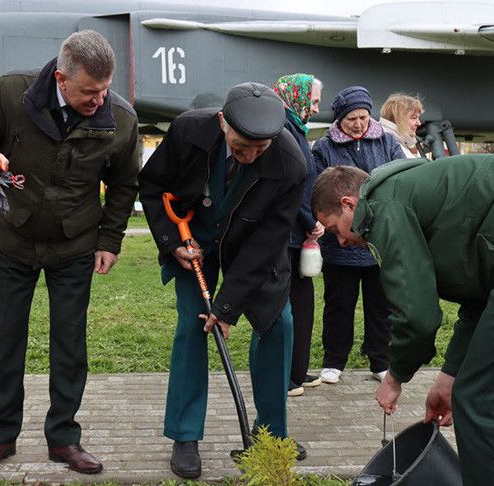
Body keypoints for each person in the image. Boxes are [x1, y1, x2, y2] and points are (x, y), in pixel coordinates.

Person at [311, 155, 494, 485]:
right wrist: (449, 373)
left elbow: (417, 315)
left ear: (349, 203)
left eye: (335, 228)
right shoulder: (410, 191)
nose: (339, 240)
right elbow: (481, 295)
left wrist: (394, 378)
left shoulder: (382, 206)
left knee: (483, 402)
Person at [0, 30, 139, 475]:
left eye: (105, 89)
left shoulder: (122, 120)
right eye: (89, 92)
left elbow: (123, 186)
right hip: (14, 237)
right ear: (61, 77)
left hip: (75, 242)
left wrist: (109, 241)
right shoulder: (11, 92)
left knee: (70, 344)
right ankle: (0, 436)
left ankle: (63, 438)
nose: (99, 99)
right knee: (7, 339)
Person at [139, 82, 307, 480]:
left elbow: (269, 242)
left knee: (277, 325)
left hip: (253, 251)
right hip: (193, 242)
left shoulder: (290, 163)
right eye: (241, 146)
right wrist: (170, 241)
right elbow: (152, 186)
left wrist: (228, 307)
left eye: (259, 149)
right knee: (193, 325)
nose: (249, 156)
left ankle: (271, 434)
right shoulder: (188, 131)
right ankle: (185, 435)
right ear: (222, 122)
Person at [311, 85, 404, 385]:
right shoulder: (324, 148)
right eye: (352, 118)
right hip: (340, 243)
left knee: (381, 306)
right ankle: (334, 361)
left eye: (363, 116)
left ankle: (381, 360)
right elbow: (319, 190)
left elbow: (399, 176)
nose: (359, 123)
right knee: (339, 304)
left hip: (377, 241)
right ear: (339, 119)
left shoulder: (387, 141)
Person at [272, 74, 325, 397]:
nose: (315, 109)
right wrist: (310, 220)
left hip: (298, 231)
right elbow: (294, 183)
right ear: (298, 97)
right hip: (288, 235)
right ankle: (287, 376)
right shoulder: (284, 130)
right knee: (291, 306)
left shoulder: (293, 128)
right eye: (314, 101)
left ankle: (296, 371)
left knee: (302, 304)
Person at [379, 92, 423, 158]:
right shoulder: (384, 142)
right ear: (398, 118)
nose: (419, 123)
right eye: (414, 118)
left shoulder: (402, 141)